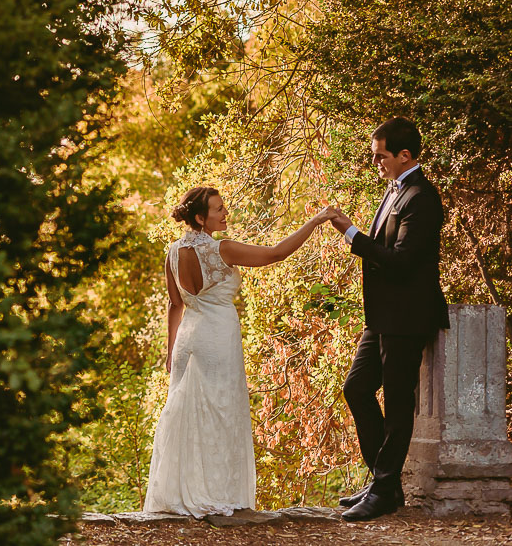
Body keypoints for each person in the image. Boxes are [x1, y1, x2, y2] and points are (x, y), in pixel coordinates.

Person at [143, 186, 337, 517]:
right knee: (220, 413)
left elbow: (175, 305)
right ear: (201, 218)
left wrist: (170, 347)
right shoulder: (223, 249)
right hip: (217, 339)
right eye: (218, 210)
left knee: (186, 414)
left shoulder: (173, 252)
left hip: (188, 341)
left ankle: (180, 492)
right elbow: (276, 254)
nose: (225, 213)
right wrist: (316, 220)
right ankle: (216, 494)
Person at [329, 117, 449, 522]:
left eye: (381, 156)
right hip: (380, 318)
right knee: (356, 388)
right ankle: (386, 481)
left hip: (408, 317)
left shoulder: (422, 198)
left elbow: (400, 262)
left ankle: (383, 489)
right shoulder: (394, 190)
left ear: (405, 156)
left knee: (398, 404)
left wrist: (351, 234)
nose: (375, 162)